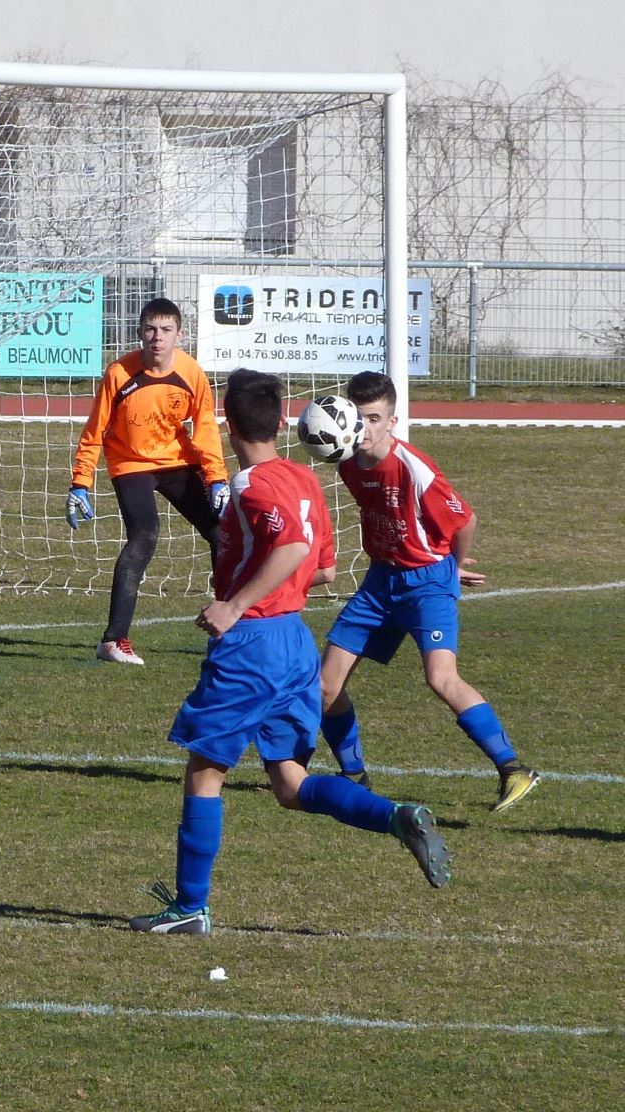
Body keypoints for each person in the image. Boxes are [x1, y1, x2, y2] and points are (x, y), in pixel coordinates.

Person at [130, 369, 449, 935]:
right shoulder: (304, 477)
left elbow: (294, 546)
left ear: (227, 425)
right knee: (291, 784)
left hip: (252, 644)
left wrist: (235, 603)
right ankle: (396, 816)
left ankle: (189, 907)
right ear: (282, 422)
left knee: (205, 772)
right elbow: (323, 569)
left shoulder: (250, 486)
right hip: (295, 642)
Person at [317, 370, 539, 811]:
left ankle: (513, 769)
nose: (366, 428)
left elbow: (466, 520)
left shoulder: (413, 468)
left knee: (440, 677)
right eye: (359, 418)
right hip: (380, 583)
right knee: (324, 686)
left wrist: (451, 567)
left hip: (427, 583)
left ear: (392, 421)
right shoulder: (347, 463)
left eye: (375, 419)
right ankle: (354, 775)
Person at [65, 297, 228, 665]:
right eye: (151, 330)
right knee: (145, 535)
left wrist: (216, 478)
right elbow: (94, 431)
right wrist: (80, 483)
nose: (158, 337)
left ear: (179, 335)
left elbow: (205, 428)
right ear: (139, 333)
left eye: (166, 330)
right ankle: (113, 641)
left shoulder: (192, 374)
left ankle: (226, 628)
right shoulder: (119, 374)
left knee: (222, 533)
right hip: (131, 464)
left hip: (178, 462)